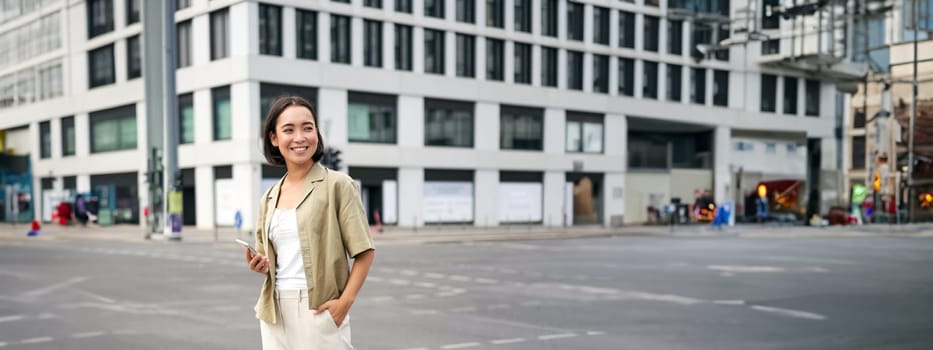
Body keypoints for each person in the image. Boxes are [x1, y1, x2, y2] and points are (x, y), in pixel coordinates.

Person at [246, 95, 375, 349]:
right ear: (274, 138)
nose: (300, 137)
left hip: (318, 310)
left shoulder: (338, 185)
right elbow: (271, 259)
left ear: (317, 132)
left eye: (308, 127)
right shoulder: (269, 197)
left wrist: (344, 304)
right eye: (288, 130)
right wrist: (260, 265)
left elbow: (365, 251)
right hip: (274, 311)